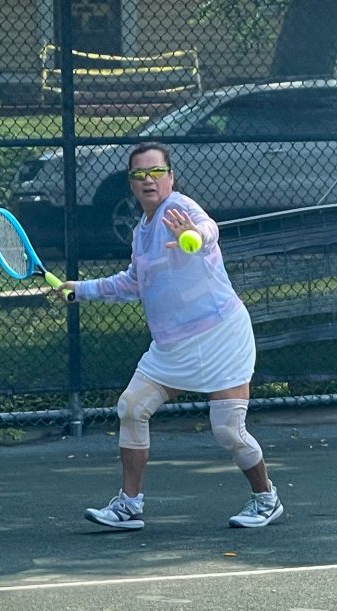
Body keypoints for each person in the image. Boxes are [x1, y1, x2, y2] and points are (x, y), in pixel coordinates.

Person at [58, 142, 283, 530]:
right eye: (139, 174)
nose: (148, 180)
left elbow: (208, 231)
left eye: (156, 172)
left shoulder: (181, 209)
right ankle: (129, 506)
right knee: (131, 408)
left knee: (228, 430)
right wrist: (81, 288)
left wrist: (193, 235)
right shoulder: (141, 232)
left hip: (221, 336)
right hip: (172, 346)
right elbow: (133, 282)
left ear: (170, 177)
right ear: (130, 183)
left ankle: (266, 498)